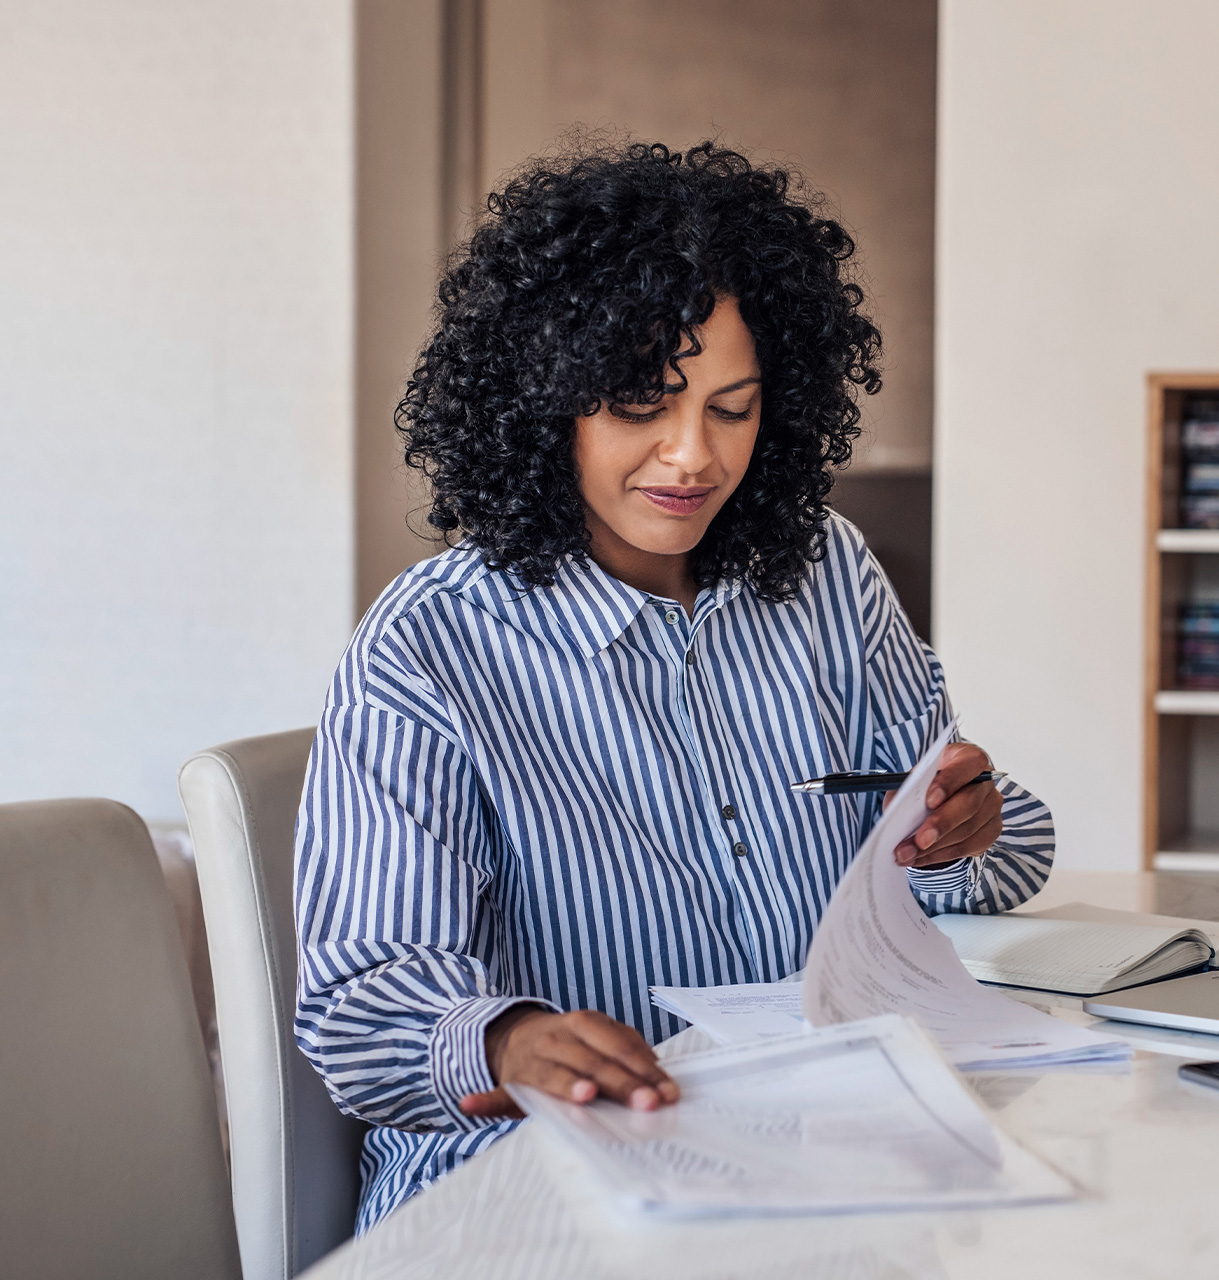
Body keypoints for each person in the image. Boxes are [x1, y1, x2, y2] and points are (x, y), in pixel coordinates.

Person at [293, 142, 1054, 1229]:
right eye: (640, 404)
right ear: (544, 399)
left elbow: (965, 871)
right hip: (533, 1192)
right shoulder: (432, 642)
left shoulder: (829, 574)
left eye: (732, 409)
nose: (691, 455)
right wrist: (508, 1040)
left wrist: (962, 831)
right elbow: (364, 997)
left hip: (821, 1162)